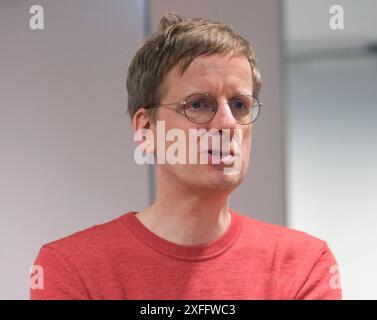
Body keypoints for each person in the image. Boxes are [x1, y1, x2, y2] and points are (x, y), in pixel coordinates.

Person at [30, 12, 342, 300]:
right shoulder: (71, 267)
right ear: (146, 128)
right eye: (198, 104)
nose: (227, 124)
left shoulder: (303, 264)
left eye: (239, 105)